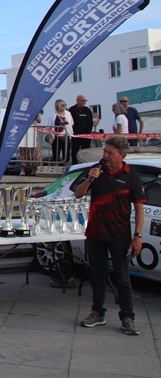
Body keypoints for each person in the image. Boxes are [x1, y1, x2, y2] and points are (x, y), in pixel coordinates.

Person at [74, 135, 145, 336]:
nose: (105, 156)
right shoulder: (97, 171)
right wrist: (90, 178)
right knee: (97, 274)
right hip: (96, 232)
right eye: (104, 151)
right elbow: (78, 194)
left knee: (122, 278)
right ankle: (97, 312)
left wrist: (138, 235)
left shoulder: (131, 177)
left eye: (110, 153)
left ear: (122, 155)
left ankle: (127, 317)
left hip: (119, 234)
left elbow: (139, 208)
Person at [69, 95, 96, 164]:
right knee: (75, 150)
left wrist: (88, 132)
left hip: (86, 135)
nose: (85, 102)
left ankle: (85, 164)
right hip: (75, 135)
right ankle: (75, 164)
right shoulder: (72, 110)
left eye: (85, 101)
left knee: (86, 151)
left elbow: (90, 122)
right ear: (78, 100)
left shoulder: (87, 110)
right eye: (83, 101)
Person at [47, 99, 74, 164]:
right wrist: (50, 136)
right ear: (58, 106)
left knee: (66, 155)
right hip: (56, 137)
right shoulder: (53, 114)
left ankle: (65, 167)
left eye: (65, 105)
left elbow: (72, 123)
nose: (64, 106)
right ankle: (55, 166)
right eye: (63, 105)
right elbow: (49, 126)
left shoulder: (68, 113)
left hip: (66, 136)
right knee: (56, 155)